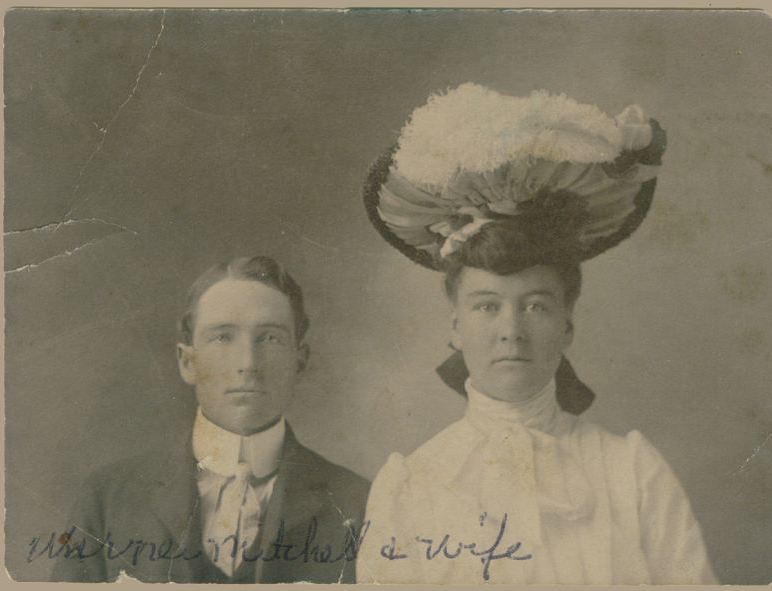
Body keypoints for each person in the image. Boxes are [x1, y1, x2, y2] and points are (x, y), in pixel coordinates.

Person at [356, 83, 717, 584]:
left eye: (535, 306)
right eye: (487, 306)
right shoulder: (410, 485)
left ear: (567, 325)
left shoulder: (632, 472)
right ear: (456, 326)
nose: (511, 331)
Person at [49, 256, 370, 583]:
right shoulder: (108, 498)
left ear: (299, 362)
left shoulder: (359, 504)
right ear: (188, 362)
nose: (248, 363)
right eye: (223, 337)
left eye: (270, 338)